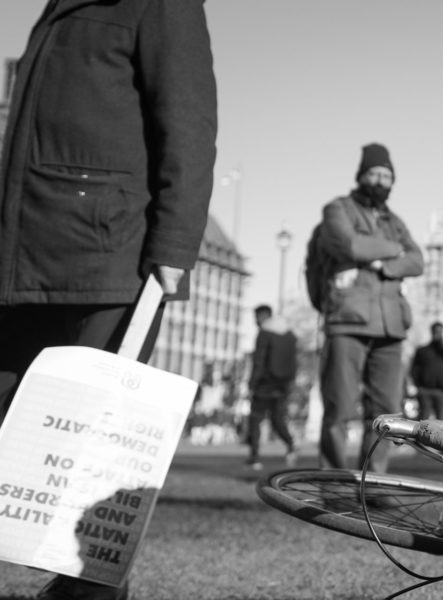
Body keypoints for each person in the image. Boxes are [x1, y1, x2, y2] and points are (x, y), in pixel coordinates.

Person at [0, 1, 216, 598]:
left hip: (111, 256)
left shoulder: (162, 4)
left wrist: (175, 244)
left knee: (94, 445)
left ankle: (89, 589)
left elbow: (189, 122)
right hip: (28, 252)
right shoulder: (61, 6)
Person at [316, 143, 424, 472]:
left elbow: (417, 260)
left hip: (391, 325)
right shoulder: (339, 209)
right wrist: (394, 252)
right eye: (374, 173)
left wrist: (381, 262)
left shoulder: (395, 221)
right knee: (339, 407)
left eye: (387, 175)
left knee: (388, 411)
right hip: (348, 320)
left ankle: (372, 483)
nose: (380, 180)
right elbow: (348, 244)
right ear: (361, 175)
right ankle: (332, 482)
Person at [246, 304, 299, 470]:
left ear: (262, 316)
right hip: (283, 385)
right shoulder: (289, 335)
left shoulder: (264, 333)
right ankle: (291, 445)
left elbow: (259, 361)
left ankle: (254, 458)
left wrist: (252, 384)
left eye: (256, 317)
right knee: (278, 420)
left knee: (255, 420)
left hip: (264, 384)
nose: (255, 321)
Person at [409, 321, 443, 420]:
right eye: (436, 331)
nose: (437, 333)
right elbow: (414, 369)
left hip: (440, 391)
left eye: (440, 331)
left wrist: (442, 343)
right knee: (423, 418)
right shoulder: (422, 350)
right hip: (424, 390)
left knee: (442, 419)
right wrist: (417, 386)